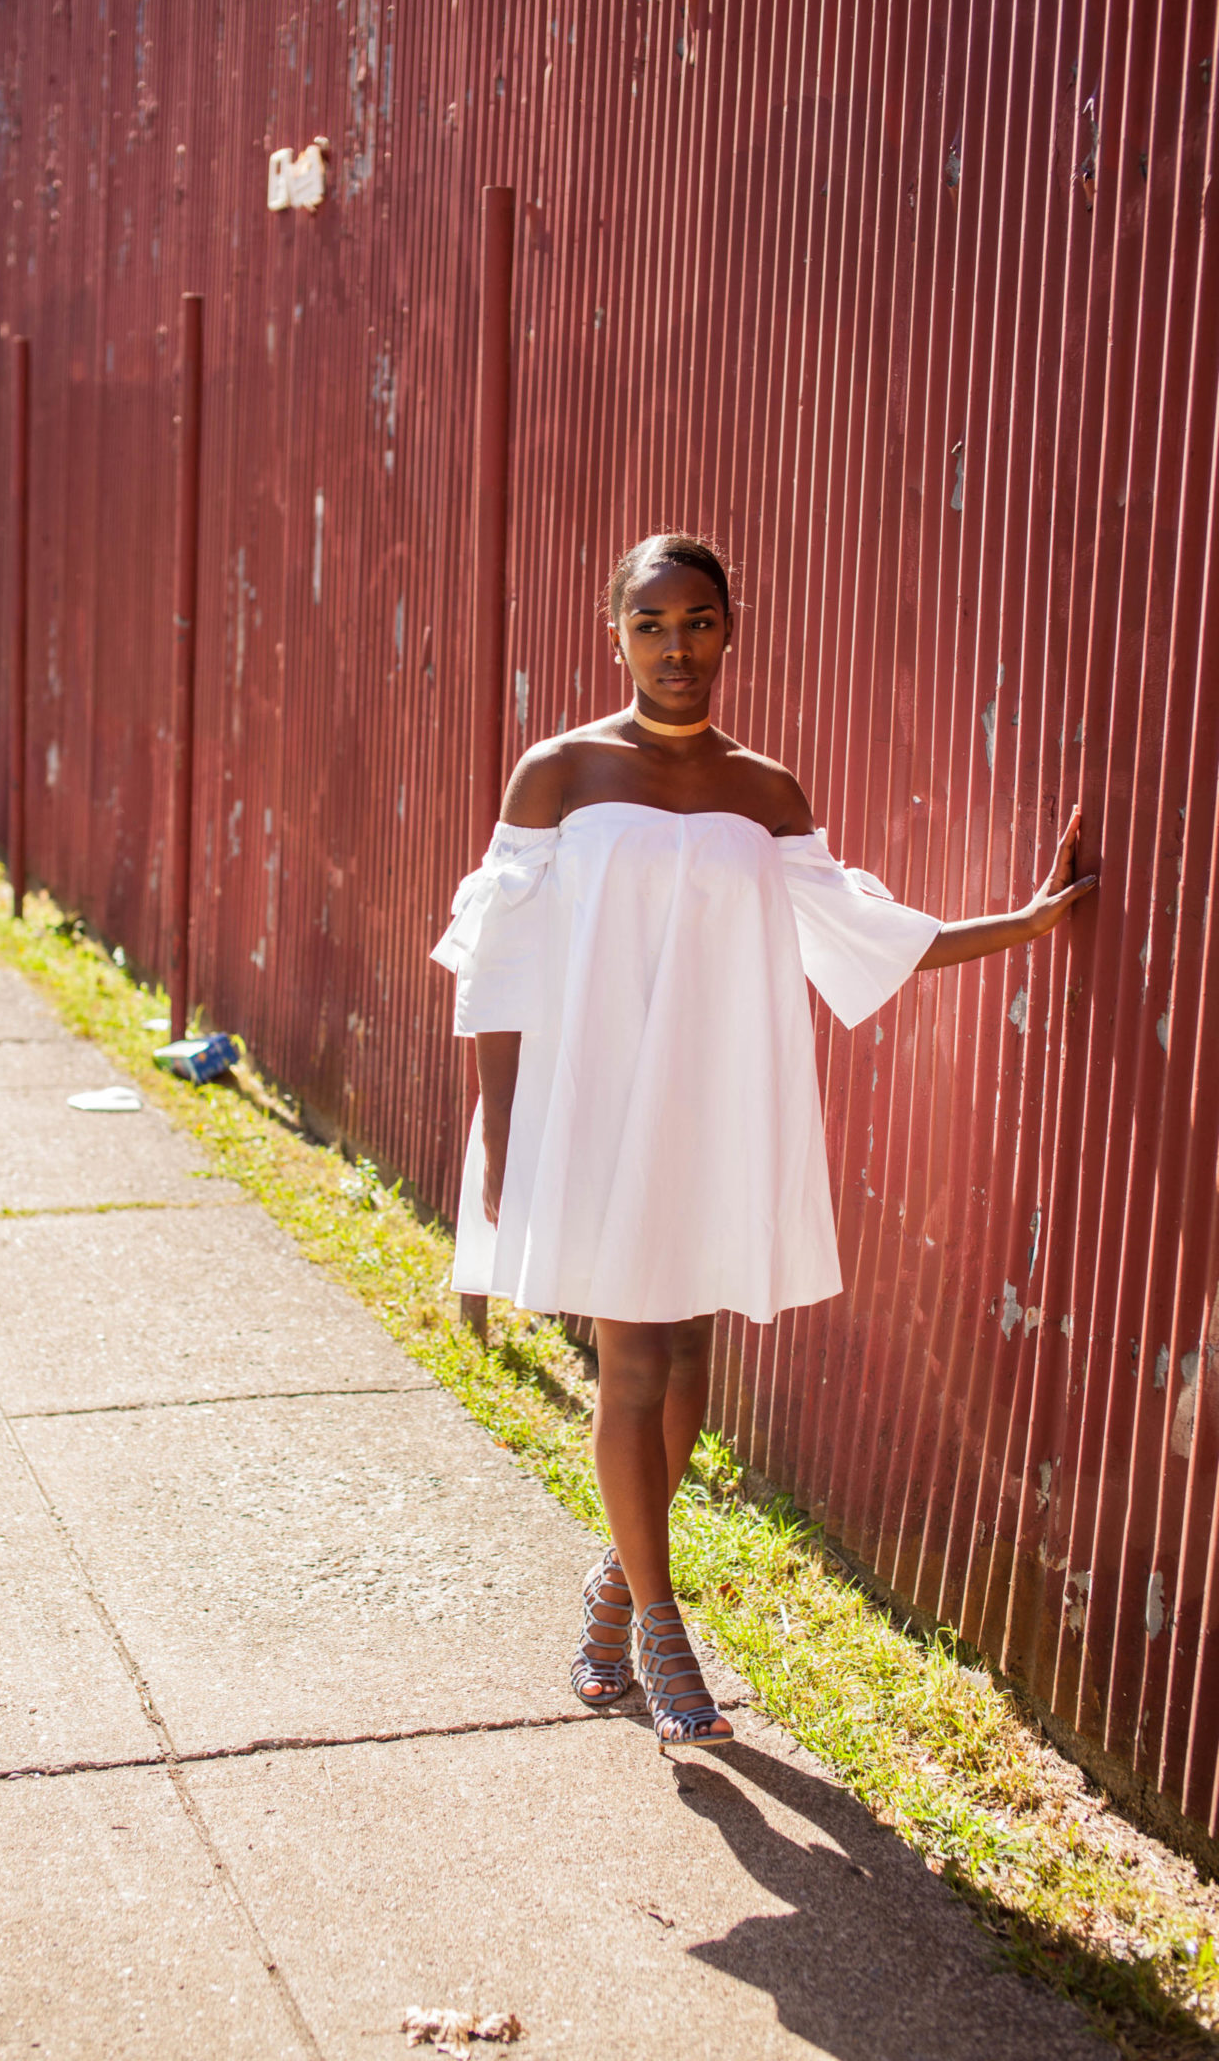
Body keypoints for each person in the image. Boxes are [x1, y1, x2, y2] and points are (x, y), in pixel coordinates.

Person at [432, 531, 1098, 1754]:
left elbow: (860, 931)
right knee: (632, 1359)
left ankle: (616, 1588)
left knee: (690, 1357)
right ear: (615, 631)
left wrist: (1027, 922)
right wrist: (502, 1130)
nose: (674, 647)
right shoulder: (559, 773)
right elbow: (497, 961)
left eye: (697, 622)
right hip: (597, 1097)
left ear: (730, 630)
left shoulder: (764, 789)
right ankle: (664, 1626)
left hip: (710, 1098)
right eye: (650, 624)